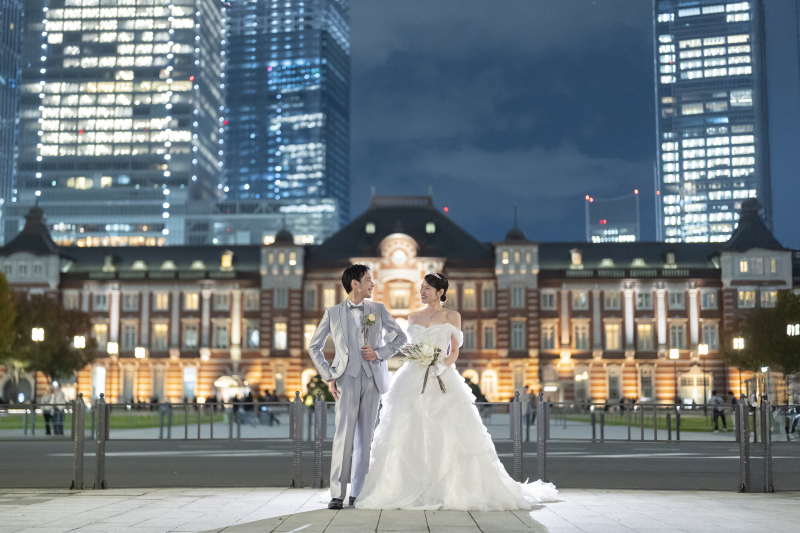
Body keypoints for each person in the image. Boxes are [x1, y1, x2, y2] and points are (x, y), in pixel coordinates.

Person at [356, 272, 557, 511]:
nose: (422, 292)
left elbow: (454, 351)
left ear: (440, 292)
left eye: (428, 288)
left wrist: (441, 366)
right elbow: (408, 346)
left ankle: (451, 486)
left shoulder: (453, 316)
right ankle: (404, 486)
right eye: (421, 288)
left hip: (442, 374)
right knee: (405, 429)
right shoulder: (412, 317)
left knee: (450, 430)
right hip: (413, 376)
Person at [307, 264, 407, 510]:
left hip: (373, 379)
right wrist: (329, 375)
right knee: (344, 436)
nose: (372, 284)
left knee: (365, 437)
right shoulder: (333, 313)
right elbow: (314, 346)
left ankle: (358, 492)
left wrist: (380, 353)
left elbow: (401, 338)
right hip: (345, 380)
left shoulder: (378, 310)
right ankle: (337, 494)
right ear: (355, 284)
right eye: (368, 280)